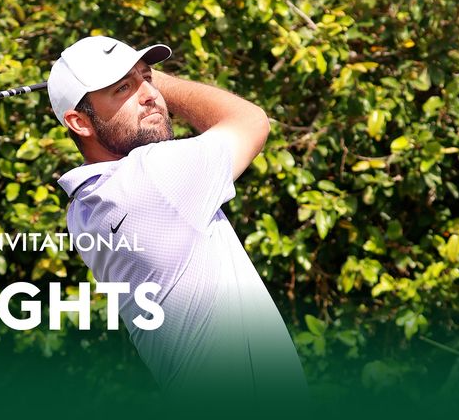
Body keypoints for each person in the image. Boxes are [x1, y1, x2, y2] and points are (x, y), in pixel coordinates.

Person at [48, 36, 308, 407]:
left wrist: (133, 78)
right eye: (123, 88)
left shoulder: (84, 207)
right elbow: (250, 120)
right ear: (79, 122)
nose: (150, 95)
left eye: (147, 79)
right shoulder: (154, 175)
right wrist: (160, 78)